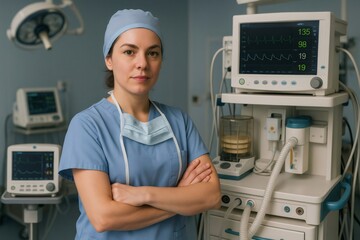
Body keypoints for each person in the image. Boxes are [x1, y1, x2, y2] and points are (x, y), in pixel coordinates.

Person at [58, 9, 221, 239]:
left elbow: (211, 196)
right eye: (129, 52)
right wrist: (180, 197)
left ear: (161, 61)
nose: (142, 63)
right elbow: (104, 217)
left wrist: (144, 195)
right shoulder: (87, 126)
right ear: (109, 59)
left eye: (152, 53)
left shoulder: (179, 121)